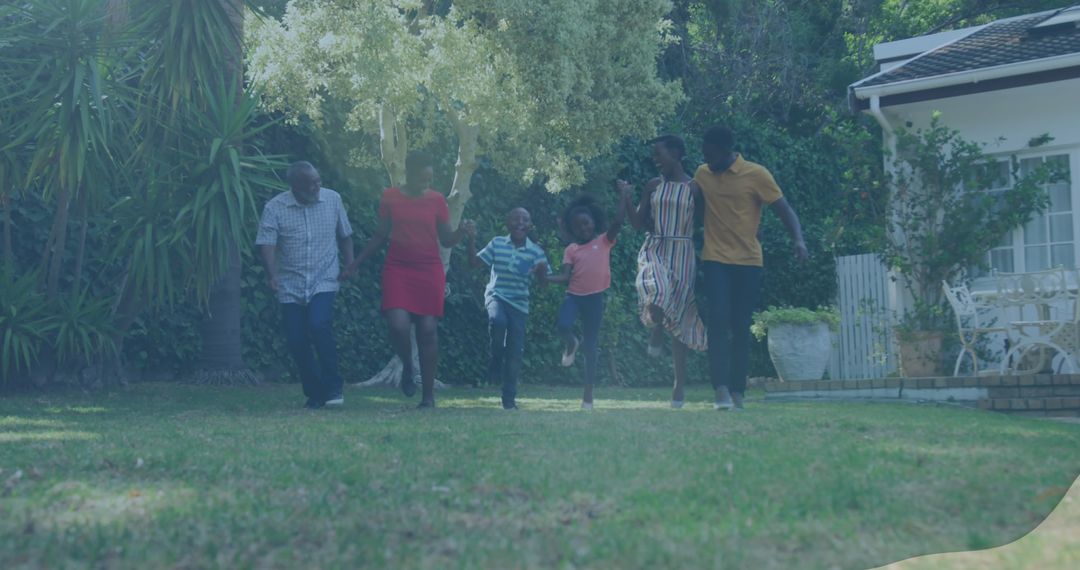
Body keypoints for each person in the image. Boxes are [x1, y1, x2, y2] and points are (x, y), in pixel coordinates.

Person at [694, 125, 808, 411]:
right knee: (717, 321)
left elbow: (784, 209)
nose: (707, 161)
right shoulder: (702, 174)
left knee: (740, 327)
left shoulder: (757, 174)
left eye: (711, 155)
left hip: (747, 262)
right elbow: (692, 206)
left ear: (726, 151)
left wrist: (799, 240)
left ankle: (737, 392)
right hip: (715, 258)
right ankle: (720, 388)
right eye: (704, 155)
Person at [350, 152, 470, 409]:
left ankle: (428, 397)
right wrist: (355, 263)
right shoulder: (390, 197)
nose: (425, 185)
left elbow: (447, 240)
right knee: (398, 325)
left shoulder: (437, 200)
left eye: (429, 180)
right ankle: (407, 366)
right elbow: (380, 235)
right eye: (421, 180)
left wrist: (462, 232)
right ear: (409, 173)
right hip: (398, 268)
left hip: (429, 269)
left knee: (428, 330)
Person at [256, 161, 356, 409]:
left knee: (319, 324)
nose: (316, 187)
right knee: (296, 339)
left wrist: (350, 264)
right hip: (291, 282)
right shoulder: (275, 207)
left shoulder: (333, 199)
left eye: (318, 181)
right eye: (310, 184)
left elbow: (345, 235)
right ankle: (315, 393)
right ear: (294, 186)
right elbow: (266, 243)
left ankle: (333, 388)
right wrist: (272, 274)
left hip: (324, 278)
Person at [618, 134, 707, 409]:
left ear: (677, 153)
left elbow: (704, 224)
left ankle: (678, 385)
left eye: (660, 154)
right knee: (655, 290)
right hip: (655, 248)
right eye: (654, 156)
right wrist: (625, 198)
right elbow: (637, 223)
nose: (656, 160)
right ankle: (656, 325)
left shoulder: (695, 188)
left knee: (679, 318)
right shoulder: (653, 185)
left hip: (683, 252)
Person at [545, 188, 629, 409]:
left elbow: (619, 221)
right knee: (563, 325)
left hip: (595, 300)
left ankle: (588, 396)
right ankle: (571, 342)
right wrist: (544, 277)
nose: (583, 228)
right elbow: (564, 276)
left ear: (594, 221)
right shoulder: (571, 249)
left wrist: (624, 195)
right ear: (572, 229)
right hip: (574, 297)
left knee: (590, 347)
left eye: (586, 223)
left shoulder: (604, 241)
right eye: (578, 226)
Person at [464, 208, 549, 410]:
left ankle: (509, 400)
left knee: (514, 352)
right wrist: (471, 239)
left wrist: (541, 272)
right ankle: (495, 359)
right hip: (497, 297)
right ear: (507, 223)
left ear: (530, 225)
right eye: (515, 218)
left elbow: (544, 284)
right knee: (498, 321)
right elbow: (474, 263)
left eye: (525, 219)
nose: (520, 222)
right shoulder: (497, 243)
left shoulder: (536, 252)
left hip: (519, 304)